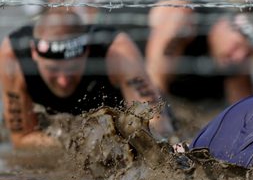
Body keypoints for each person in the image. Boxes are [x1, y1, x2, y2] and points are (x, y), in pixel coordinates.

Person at [0, 8, 175, 150]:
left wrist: (118, 143)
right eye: (52, 70)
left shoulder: (117, 52)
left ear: (87, 53)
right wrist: (79, 143)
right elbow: (22, 141)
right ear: (34, 53)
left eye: (72, 69)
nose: (63, 80)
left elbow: (158, 125)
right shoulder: (14, 57)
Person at [97, 0, 253, 106]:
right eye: (237, 46)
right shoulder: (182, 19)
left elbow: (246, 110)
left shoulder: (234, 55)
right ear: (224, 24)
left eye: (248, 53)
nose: (239, 57)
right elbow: (153, 95)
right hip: (109, 45)